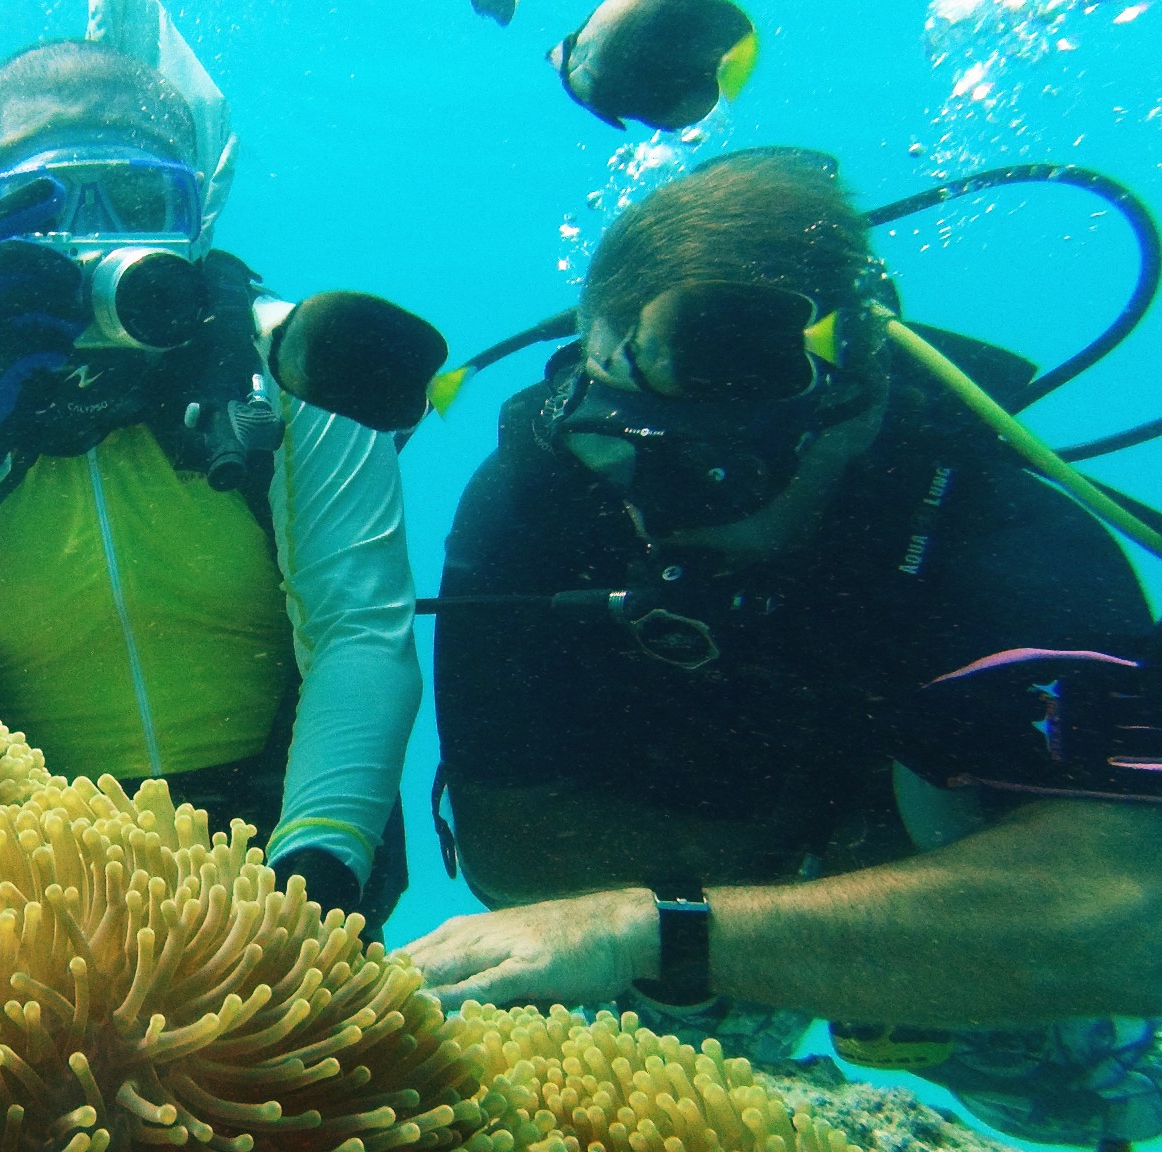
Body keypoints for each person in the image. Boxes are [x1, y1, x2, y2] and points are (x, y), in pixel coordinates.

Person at [402, 149, 1162, 1147]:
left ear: (846, 420)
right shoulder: (541, 490)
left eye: (703, 473)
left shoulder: (998, 531)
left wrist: (662, 924)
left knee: (1098, 1106)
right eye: (610, 446)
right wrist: (817, 867)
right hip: (710, 916)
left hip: (778, 918)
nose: (642, 510)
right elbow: (510, 853)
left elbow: (1124, 918)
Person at [0, 38, 422, 933]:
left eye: (138, 199)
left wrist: (315, 876)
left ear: (201, 207)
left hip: (289, 835)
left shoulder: (299, 369)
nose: (97, 240)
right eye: (40, 208)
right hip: (5, 875)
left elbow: (361, 630)